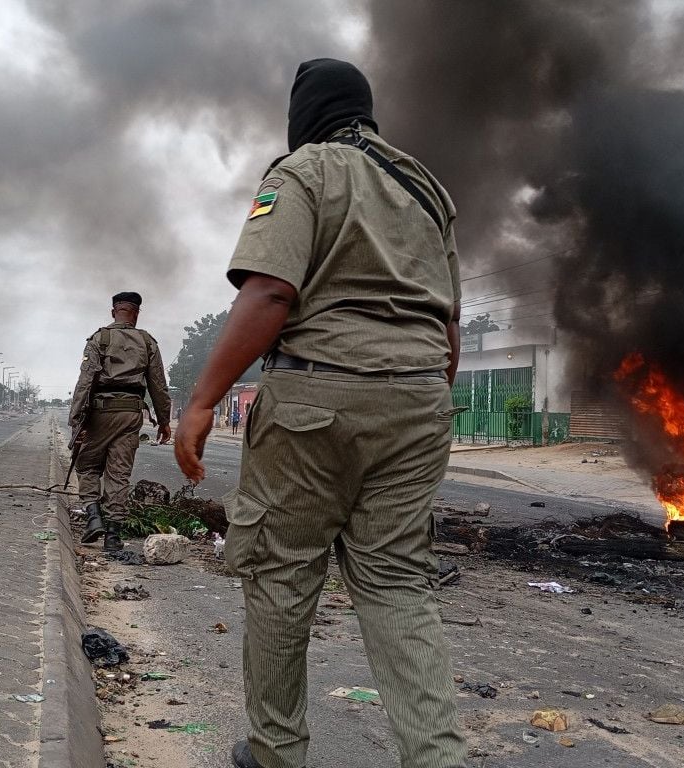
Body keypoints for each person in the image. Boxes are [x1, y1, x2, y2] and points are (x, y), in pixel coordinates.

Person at [174, 58, 466, 768]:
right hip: (421, 397)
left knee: (281, 576)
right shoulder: (425, 188)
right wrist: (416, 396)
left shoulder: (303, 171)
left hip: (316, 399)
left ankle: (276, 755)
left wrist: (205, 399)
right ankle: (439, 760)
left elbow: (270, 292)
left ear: (306, 113)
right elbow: (450, 325)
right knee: (398, 583)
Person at [70, 292, 172, 551]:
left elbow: (85, 382)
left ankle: (93, 517)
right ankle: (113, 536)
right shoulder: (147, 342)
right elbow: (158, 386)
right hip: (131, 413)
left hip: (100, 412)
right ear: (136, 313)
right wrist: (164, 421)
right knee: (119, 474)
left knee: (88, 466)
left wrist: (76, 422)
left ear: (113, 311)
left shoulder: (99, 339)